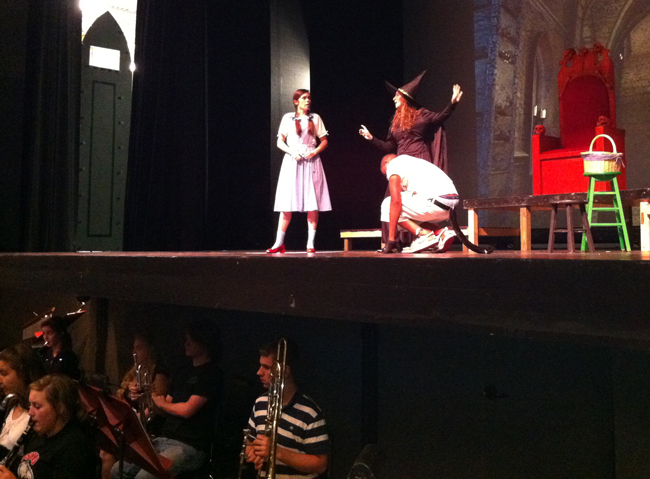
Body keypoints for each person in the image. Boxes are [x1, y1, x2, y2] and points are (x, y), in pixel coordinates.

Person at [359, 72, 463, 248]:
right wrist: (371, 138)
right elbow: (388, 147)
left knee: (412, 201)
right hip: (401, 162)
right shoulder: (395, 121)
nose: (394, 99)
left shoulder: (421, 114)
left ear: (405, 98)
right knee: (394, 201)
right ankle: (400, 240)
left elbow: (439, 118)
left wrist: (451, 104)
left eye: (397, 96)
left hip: (419, 159)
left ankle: (423, 238)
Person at [112, 320, 223, 479]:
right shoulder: (184, 371)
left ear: (204, 342)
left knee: (144, 478)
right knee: (118, 470)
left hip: (190, 445)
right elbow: (166, 405)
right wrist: (146, 397)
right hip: (165, 438)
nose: (186, 343)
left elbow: (187, 410)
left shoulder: (212, 374)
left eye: (190, 339)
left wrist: (160, 402)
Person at [246, 340, 329, 479]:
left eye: (266, 367)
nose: (259, 372)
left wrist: (276, 451)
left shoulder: (309, 413)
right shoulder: (261, 402)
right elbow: (250, 443)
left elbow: (320, 465)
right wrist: (253, 453)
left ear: (284, 371)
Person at [267, 89, 331, 254]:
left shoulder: (315, 118)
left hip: (311, 161)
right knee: (286, 204)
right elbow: (280, 142)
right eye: (304, 98)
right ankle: (279, 242)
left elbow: (324, 141)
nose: (308, 101)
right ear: (296, 101)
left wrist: (314, 152)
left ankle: (310, 243)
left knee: (312, 203)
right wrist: (292, 152)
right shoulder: (288, 118)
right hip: (292, 161)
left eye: (309, 98)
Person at [100, 335, 171, 479]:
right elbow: (122, 399)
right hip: (132, 421)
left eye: (139, 348)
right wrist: (129, 396)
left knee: (108, 454)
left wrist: (135, 417)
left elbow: (157, 408)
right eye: (133, 348)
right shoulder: (135, 370)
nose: (134, 352)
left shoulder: (160, 373)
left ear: (150, 350)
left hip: (148, 426)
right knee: (104, 450)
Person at [0, 374, 97, 479]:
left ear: (60, 407)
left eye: (37, 406)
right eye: (30, 405)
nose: (30, 412)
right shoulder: (38, 434)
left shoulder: (75, 449)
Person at [379, 153, 460, 254]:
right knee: (409, 216)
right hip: (450, 207)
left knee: (388, 204)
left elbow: (395, 202)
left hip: (436, 202)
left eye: (385, 172)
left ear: (386, 163)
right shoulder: (414, 164)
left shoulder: (393, 165)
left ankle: (424, 235)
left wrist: (391, 240)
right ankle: (441, 233)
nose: (387, 176)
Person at [0, 344, 45, 461]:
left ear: (24, 373)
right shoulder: (12, 402)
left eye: (4, 373)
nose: (0, 379)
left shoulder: (40, 413)